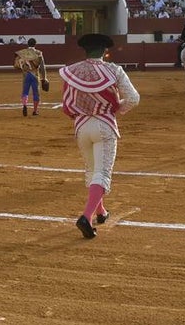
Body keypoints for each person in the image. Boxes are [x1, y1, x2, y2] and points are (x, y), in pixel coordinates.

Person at [58, 33, 140, 239]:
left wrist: (80, 115)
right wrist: (116, 109)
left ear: (85, 51)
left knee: (92, 170)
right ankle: (86, 216)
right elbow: (133, 98)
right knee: (102, 173)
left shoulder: (72, 71)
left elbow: (66, 106)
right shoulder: (114, 70)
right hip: (104, 125)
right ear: (105, 51)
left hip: (81, 127)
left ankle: (101, 211)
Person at [14, 38, 48, 117]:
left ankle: (24, 105)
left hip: (26, 75)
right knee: (36, 93)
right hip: (35, 75)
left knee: (25, 92)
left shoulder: (23, 53)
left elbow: (17, 65)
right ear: (35, 44)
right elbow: (42, 67)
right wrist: (44, 78)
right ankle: (35, 111)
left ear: (28, 44)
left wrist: (23, 68)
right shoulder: (38, 53)